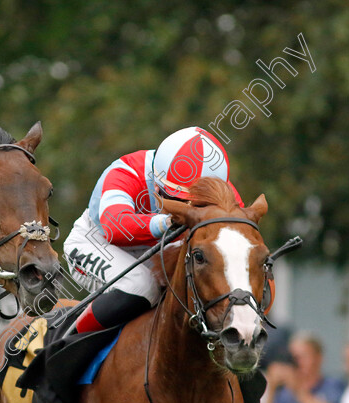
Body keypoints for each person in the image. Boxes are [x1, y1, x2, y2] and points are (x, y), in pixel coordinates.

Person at [63, 126, 244, 334]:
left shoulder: (225, 192)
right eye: (178, 202)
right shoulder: (126, 171)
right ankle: (67, 344)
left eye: (199, 206)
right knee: (141, 285)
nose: (188, 210)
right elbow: (115, 228)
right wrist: (168, 222)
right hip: (100, 243)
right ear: (157, 185)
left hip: (161, 252)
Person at [261, 331, 345, 403]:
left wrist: (298, 391)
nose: (296, 362)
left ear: (318, 358)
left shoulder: (333, 385)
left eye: (303, 356)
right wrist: (271, 389)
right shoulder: (282, 392)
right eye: (293, 357)